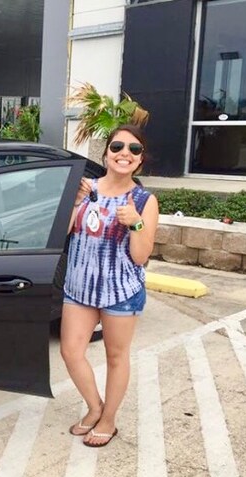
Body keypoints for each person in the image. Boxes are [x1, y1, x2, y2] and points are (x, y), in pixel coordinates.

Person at [60, 124, 159, 447]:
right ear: (105, 153)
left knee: (116, 357)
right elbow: (64, 233)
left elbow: (140, 255)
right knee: (71, 352)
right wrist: (73, 204)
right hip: (79, 287)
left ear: (140, 161)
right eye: (118, 147)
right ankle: (95, 408)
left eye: (134, 150)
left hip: (121, 290)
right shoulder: (84, 189)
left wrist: (136, 223)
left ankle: (109, 420)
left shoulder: (144, 200)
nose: (124, 154)